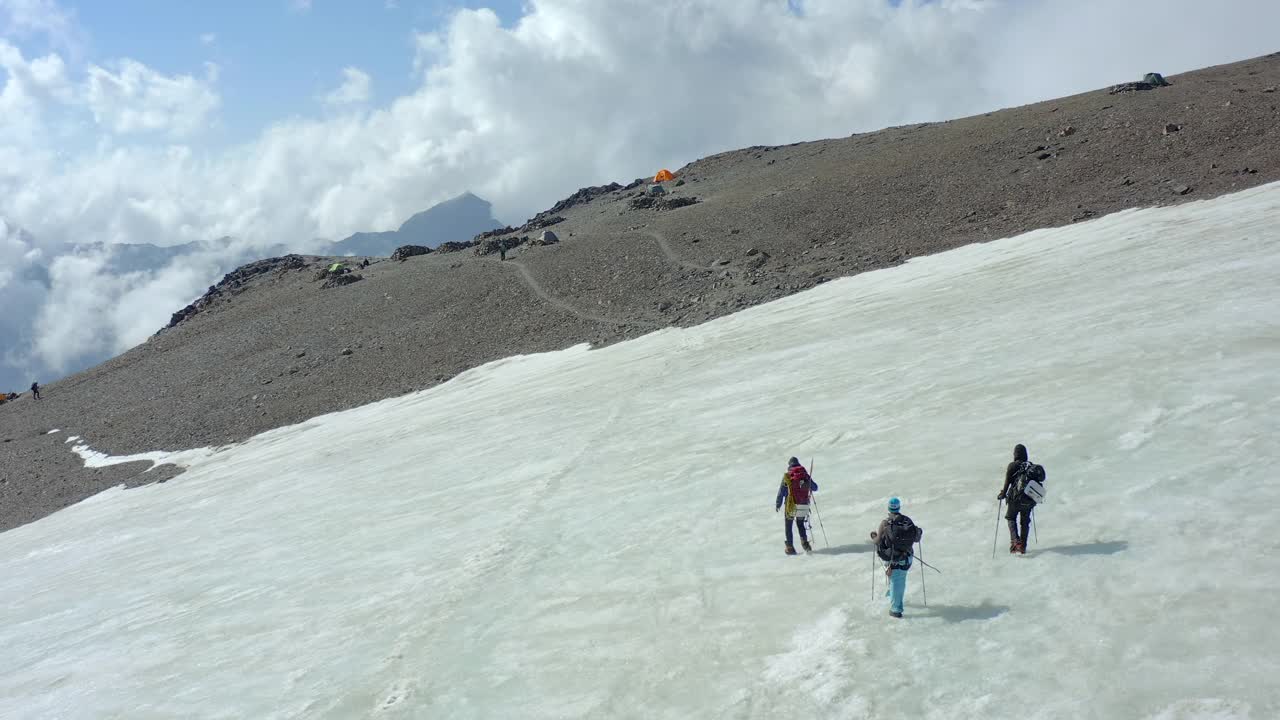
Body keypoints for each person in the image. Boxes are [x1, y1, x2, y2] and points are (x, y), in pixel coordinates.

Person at [871, 497, 922, 618]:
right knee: (898, 579)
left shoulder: (885, 523)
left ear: (889, 508)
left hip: (893, 560)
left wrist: (873, 536)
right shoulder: (907, 521)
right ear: (899, 508)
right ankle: (893, 595)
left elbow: (877, 540)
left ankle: (896, 610)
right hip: (907, 558)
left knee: (897, 582)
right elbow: (916, 537)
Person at [998, 444, 1045, 554]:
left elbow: (1007, 484)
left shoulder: (1012, 466)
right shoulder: (1030, 466)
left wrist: (1002, 494)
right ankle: (1023, 546)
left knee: (1010, 518)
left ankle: (1015, 541)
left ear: (1015, 454)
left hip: (1014, 499)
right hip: (1028, 500)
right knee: (1025, 523)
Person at [775, 457, 818, 555]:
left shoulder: (788, 476)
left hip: (791, 506)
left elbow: (781, 492)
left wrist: (778, 504)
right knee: (800, 523)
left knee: (788, 525)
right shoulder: (804, 475)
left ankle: (790, 547)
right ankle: (805, 543)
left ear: (789, 465)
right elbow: (815, 487)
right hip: (803, 505)